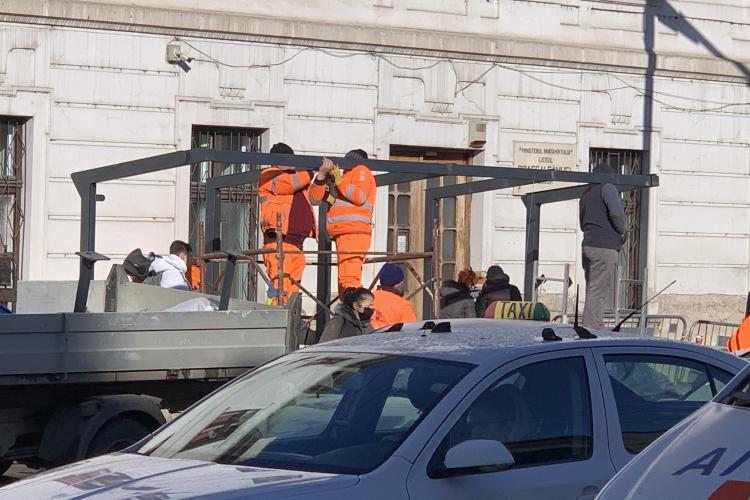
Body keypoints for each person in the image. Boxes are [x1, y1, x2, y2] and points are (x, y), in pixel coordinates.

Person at [310, 149, 376, 299]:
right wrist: (323, 178)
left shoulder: (361, 170)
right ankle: (348, 309)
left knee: (349, 278)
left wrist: (339, 181)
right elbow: (316, 198)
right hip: (345, 233)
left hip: (353, 232)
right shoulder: (345, 176)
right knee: (345, 278)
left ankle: (353, 312)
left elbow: (359, 197)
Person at [259, 142, 315, 304]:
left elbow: (315, 198)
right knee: (280, 289)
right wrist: (311, 172)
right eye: (289, 159)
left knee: (292, 292)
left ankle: (288, 323)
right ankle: (275, 324)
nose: (292, 164)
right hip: (279, 242)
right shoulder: (269, 175)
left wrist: (320, 179)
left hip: (296, 244)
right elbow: (288, 185)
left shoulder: (298, 178)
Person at [580, 163, 626, 329]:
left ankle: (595, 324)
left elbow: (582, 223)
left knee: (593, 288)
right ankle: (591, 328)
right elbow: (616, 212)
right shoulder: (607, 188)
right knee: (598, 289)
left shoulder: (586, 194)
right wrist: (622, 230)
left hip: (588, 245)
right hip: (604, 247)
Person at [371, 263, 417, 329]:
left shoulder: (368, 298)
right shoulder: (403, 306)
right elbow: (412, 332)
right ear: (397, 284)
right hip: (389, 338)